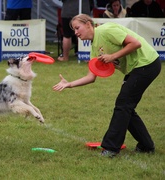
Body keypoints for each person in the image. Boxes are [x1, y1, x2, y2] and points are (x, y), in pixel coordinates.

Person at [53, 14, 161, 158]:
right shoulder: (94, 47)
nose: (76, 33)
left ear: (88, 24)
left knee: (123, 105)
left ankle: (111, 148)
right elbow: (91, 77)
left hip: (147, 63)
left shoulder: (106, 30)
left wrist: (113, 56)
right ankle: (146, 146)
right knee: (126, 107)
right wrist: (69, 84)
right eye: (74, 30)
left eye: (77, 28)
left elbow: (135, 44)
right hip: (135, 69)